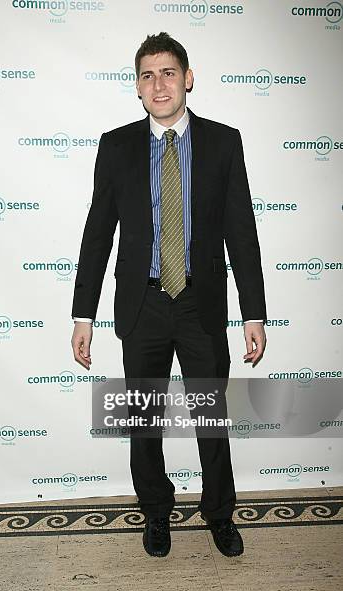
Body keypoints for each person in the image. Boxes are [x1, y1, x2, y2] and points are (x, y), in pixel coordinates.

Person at [71, 32, 267, 558]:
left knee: (210, 418)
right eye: (147, 75)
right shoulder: (115, 147)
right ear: (137, 87)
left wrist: (254, 312)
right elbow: (97, 233)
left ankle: (219, 513)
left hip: (201, 305)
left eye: (168, 72)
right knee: (144, 422)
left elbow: (241, 231)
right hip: (143, 306)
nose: (158, 84)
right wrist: (82, 313)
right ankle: (156, 512)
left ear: (189, 78)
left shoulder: (225, 143)